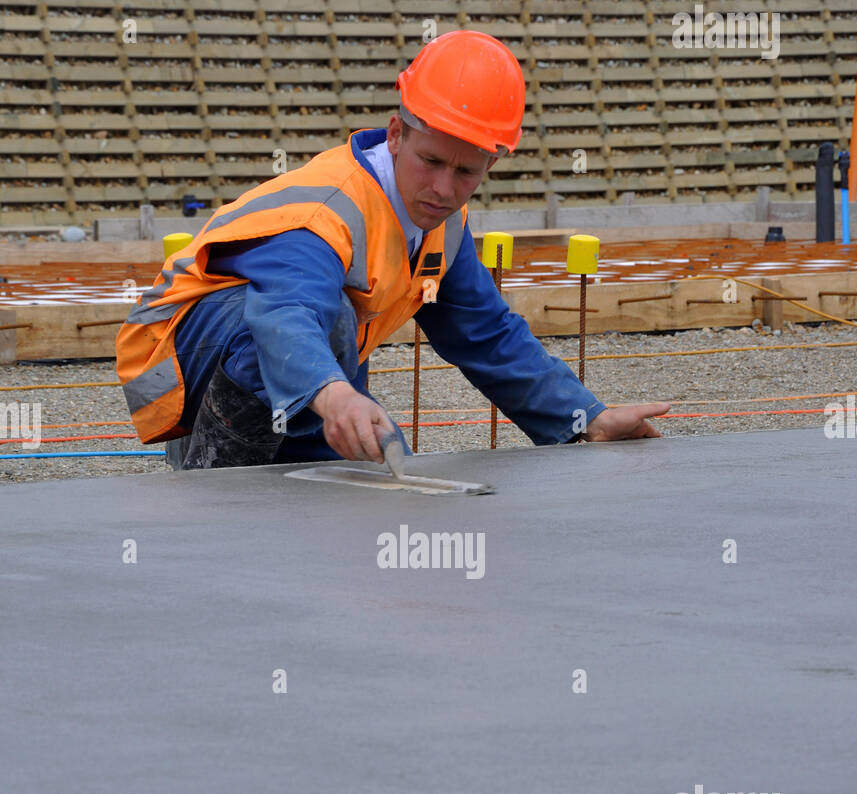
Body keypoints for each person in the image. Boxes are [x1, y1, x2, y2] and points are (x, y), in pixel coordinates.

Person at [115, 30, 669, 469]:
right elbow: (285, 316)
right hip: (178, 364)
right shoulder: (326, 211)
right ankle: (213, 480)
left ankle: (295, 469)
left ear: (490, 165)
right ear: (397, 134)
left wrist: (586, 419)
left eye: (466, 172)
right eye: (431, 161)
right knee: (324, 336)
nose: (445, 190)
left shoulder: (441, 225)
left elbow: (487, 334)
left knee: (374, 459)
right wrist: (336, 400)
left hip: (281, 361)